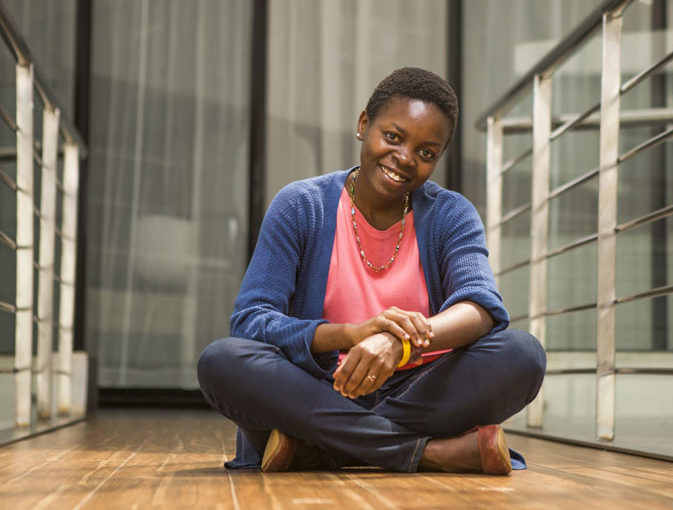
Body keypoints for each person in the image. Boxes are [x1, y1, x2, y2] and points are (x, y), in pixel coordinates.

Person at [197, 67, 547, 475]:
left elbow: (480, 308)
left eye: (426, 152)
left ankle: (323, 447)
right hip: (317, 388)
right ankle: (427, 453)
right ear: (364, 125)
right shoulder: (301, 205)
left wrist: (398, 346)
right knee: (222, 360)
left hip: (415, 391)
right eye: (394, 137)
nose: (404, 158)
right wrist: (353, 333)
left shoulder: (451, 214)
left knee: (522, 355)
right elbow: (252, 321)